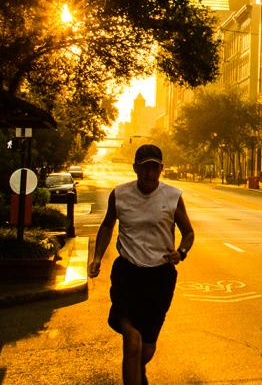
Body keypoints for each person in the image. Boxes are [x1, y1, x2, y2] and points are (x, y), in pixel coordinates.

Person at [89, 144, 195, 385]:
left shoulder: (173, 196)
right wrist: (97, 258)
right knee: (133, 341)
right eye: (145, 168)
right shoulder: (120, 194)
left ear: (161, 169)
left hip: (160, 278)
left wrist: (181, 252)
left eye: (154, 168)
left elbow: (188, 232)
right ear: (135, 168)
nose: (149, 174)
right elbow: (107, 225)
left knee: (146, 350)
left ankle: (137, 374)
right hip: (128, 273)